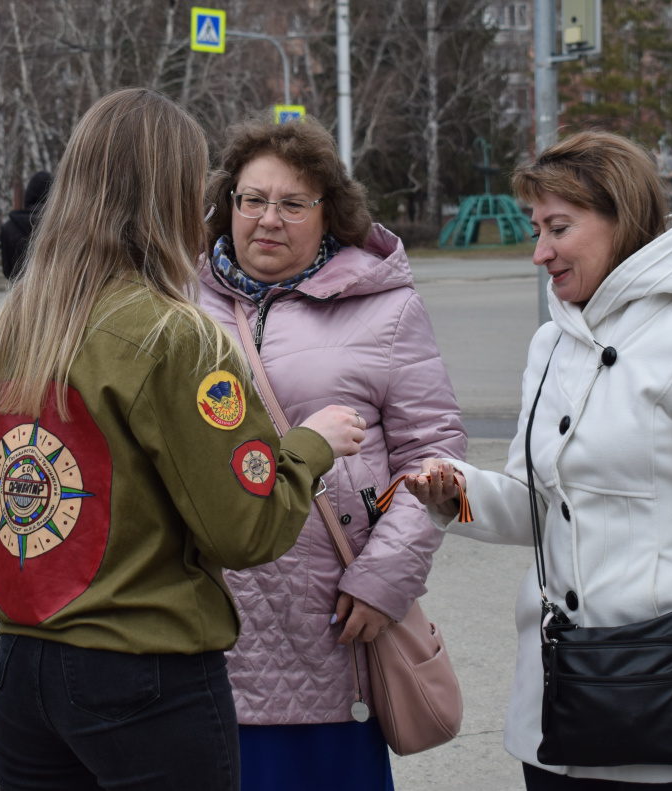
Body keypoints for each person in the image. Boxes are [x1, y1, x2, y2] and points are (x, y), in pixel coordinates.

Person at [0, 88, 366, 791]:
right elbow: (244, 530)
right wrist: (309, 446)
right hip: (141, 672)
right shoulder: (171, 332)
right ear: (173, 194)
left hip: (24, 667)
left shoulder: (19, 325)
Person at [406, 131, 672, 789]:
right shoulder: (551, 342)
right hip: (558, 701)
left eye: (557, 228)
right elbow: (537, 506)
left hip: (661, 698)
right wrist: (452, 491)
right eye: (535, 229)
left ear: (621, 220)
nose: (538, 252)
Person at [199, 115, 466, 791]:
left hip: (333, 623)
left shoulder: (385, 307)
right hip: (204, 622)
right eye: (251, 199)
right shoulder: (181, 302)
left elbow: (438, 460)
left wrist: (385, 579)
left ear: (329, 214)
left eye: (292, 204)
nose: (267, 219)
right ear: (227, 203)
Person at [0, 170, 52, 280]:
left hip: (19, 292)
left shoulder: (8, 228)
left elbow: (7, 270)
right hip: (54, 293)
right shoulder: (60, 226)